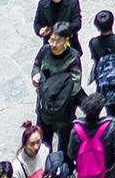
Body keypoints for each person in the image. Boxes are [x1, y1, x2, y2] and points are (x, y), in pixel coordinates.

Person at [32, 23, 84, 155]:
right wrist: (35, 75)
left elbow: (75, 84)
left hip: (63, 108)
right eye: (52, 40)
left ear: (66, 40)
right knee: (44, 141)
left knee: (64, 143)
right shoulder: (45, 50)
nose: (54, 44)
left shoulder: (73, 56)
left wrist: (57, 94)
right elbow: (37, 64)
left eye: (58, 41)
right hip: (44, 105)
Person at [68, 92, 115, 178]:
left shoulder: (76, 130)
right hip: (107, 170)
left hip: (86, 171)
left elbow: (71, 153)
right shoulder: (110, 127)